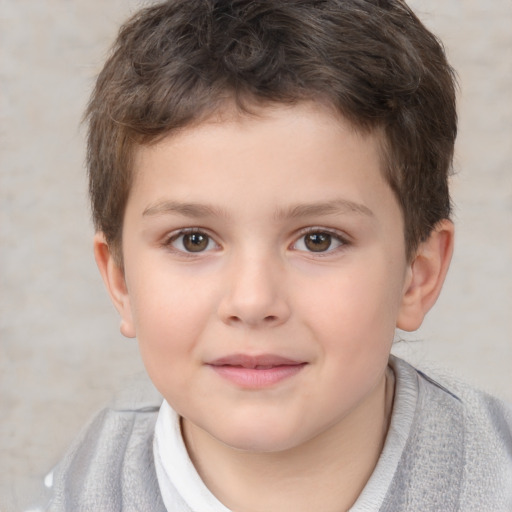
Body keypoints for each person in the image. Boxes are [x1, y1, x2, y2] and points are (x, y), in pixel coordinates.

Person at [46, 0, 512, 510]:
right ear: (121, 281)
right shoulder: (77, 489)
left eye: (318, 240)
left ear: (416, 277)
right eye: (193, 240)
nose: (252, 300)